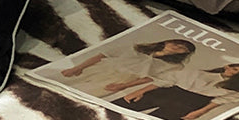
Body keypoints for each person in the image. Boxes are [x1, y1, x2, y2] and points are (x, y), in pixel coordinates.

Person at [117, 62, 239, 120]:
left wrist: (200, 112)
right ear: (228, 66)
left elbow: (219, 101)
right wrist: (139, 91)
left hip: (192, 103)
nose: (233, 73)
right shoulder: (197, 72)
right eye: (234, 69)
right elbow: (165, 81)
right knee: (118, 110)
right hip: (166, 93)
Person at [58, 38, 196, 98]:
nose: (177, 47)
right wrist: (78, 67)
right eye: (176, 43)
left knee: (84, 94)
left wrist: (124, 85)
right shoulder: (137, 47)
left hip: (122, 79)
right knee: (63, 84)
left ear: (184, 53)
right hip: (102, 67)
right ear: (168, 41)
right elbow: (103, 54)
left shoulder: (175, 65)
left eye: (182, 48)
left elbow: (151, 78)